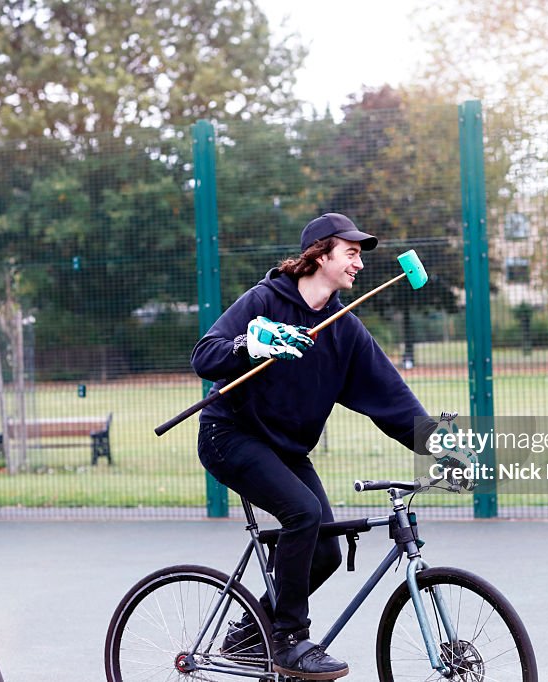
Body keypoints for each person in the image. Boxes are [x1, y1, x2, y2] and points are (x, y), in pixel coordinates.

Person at [191, 213, 430, 680]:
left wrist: (445, 444)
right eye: (352, 253)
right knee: (302, 512)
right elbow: (205, 354)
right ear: (320, 255)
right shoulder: (265, 300)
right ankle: (288, 641)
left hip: (285, 450)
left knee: (325, 551)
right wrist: (252, 343)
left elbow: (392, 400)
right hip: (230, 435)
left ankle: (249, 634)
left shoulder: (344, 329)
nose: (359, 264)